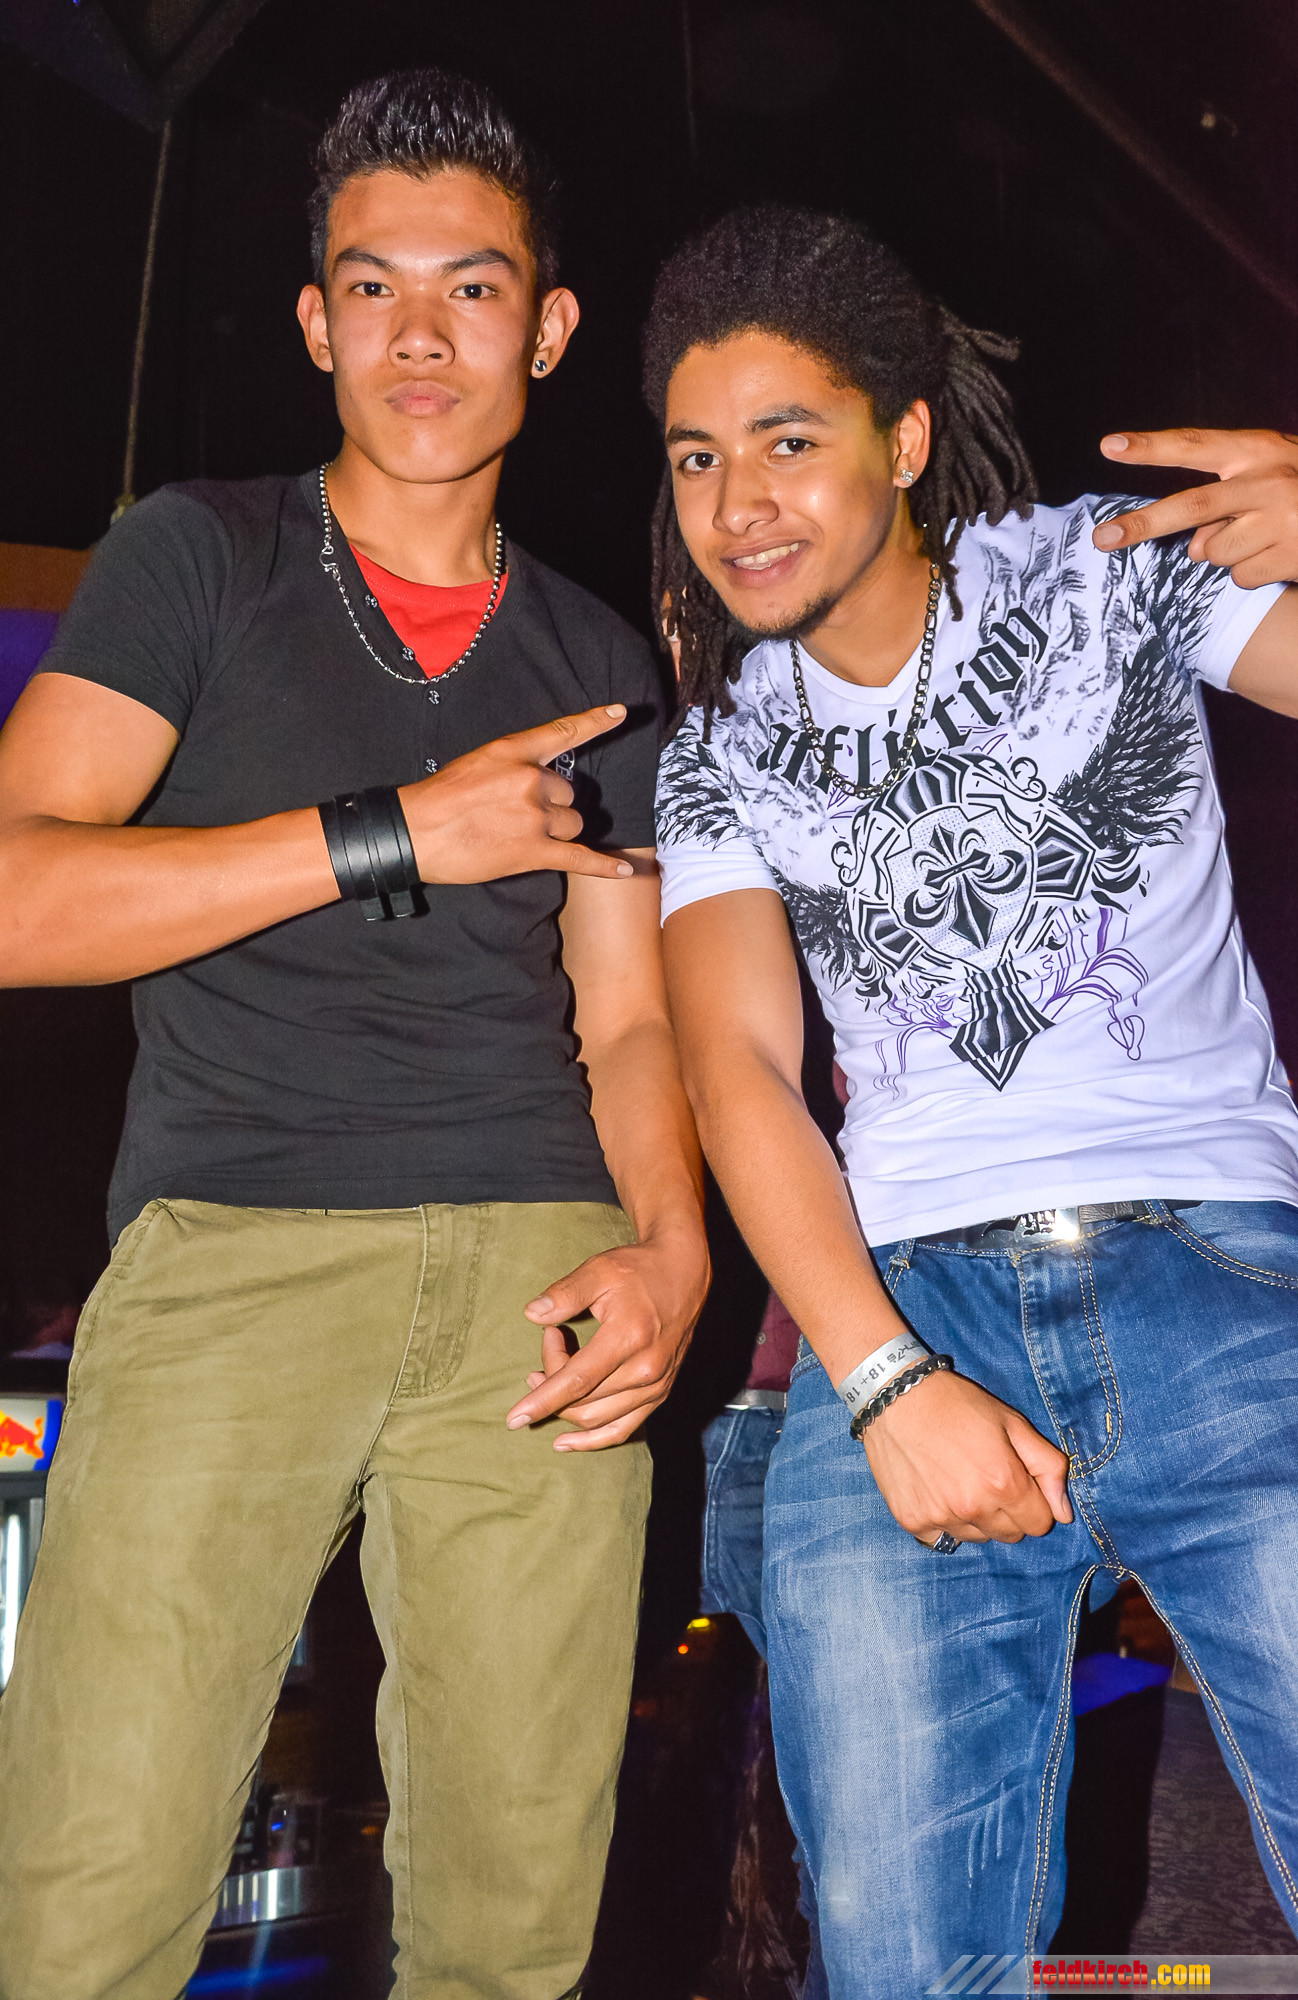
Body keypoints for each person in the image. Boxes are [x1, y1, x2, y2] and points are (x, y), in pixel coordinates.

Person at [0, 70, 708, 2000]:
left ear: (546, 332)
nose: (419, 332)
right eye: (373, 286)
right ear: (316, 323)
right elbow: (21, 894)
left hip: (538, 1278)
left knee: (513, 1919)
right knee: (84, 1901)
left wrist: (669, 1250)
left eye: (472, 289)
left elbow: (628, 1017)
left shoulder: (600, 661)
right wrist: (390, 831)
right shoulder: (199, 557)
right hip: (233, 1253)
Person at [645, 203, 1298, 1994]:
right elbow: (735, 1070)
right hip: (903, 1307)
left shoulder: (1106, 571)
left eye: (785, 441)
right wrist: (881, 1381)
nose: (737, 504)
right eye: (698, 457)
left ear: (901, 437)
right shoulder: (718, 747)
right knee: (897, 1968)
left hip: (1215, 1272)